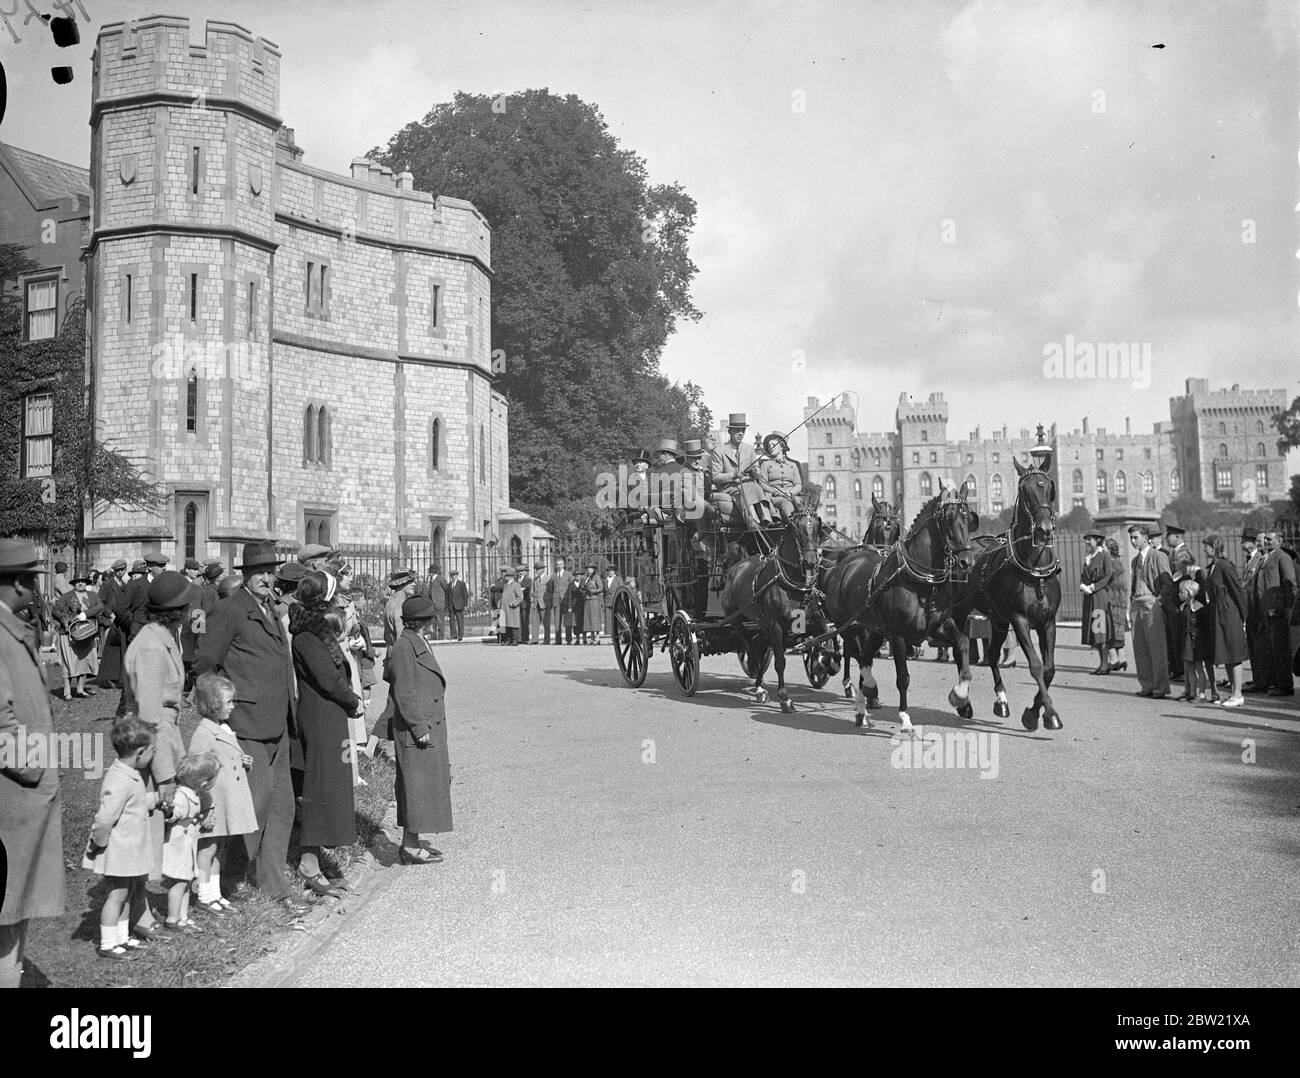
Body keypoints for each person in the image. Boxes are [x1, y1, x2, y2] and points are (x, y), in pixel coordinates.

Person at [194, 542, 309, 913]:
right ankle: (230, 880)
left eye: (270, 570)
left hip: (278, 723)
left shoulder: (271, 608)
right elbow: (205, 663)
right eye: (258, 571)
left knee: (282, 807)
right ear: (244, 574)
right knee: (253, 807)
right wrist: (219, 717)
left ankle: (273, 883)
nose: (265, 576)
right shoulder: (229, 610)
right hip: (245, 724)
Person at [0, 539, 66, 986]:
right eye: (31, 581)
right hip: (12, 795)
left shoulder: (11, 628)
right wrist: (36, 769)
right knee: (6, 908)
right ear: (19, 584)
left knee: (15, 906)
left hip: (21, 793)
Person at [122, 570, 192, 936]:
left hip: (161, 739)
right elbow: (150, 717)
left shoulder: (161, 637)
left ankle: (140, 907)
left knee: (149, 833)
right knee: (144, 833)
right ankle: (138, 911)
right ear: (177, 609)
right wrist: (164, 774)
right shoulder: (151, 646)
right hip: (149, 750)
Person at [289, 571, 360, 897]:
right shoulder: (306, 635)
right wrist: (352, 700)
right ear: (323, 600)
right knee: (319, 787)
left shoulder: (316, 630)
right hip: (320, 718)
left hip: (331, 715)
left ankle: (317, 858)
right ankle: (308, 862)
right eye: (333, 597)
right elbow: (328, 679)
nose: (337, 601)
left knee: (330, 786)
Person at [381, 594, 453, 864]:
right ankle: (409, 846)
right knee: (415, 787)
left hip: (427, 723)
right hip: (418, 727)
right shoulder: (404, 647)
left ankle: (411, 841)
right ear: (424, 621)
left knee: (422, 786)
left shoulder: (418, 641)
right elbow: (404, 691)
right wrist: (418, 726)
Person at [82, 715, 158, 960]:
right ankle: (107, 944)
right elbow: (105, 819)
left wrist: (156, 799)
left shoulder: (129, 773)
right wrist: (99, 843)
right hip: (118, 850)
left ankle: (122, 937)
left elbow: (134, 805)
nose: (153, 756)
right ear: (140, 752)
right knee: (116, 896)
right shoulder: (119, 779)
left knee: (126, 894)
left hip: (131, 849)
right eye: (152, 751)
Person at [188, 673, 257, 915]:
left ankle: (214, 893)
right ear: (214, 705)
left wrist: (243, 760)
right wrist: (204, 807)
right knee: (207, 849)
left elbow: (229, 756)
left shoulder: (224, 728)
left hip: (228, 802)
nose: (233, 706)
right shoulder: (204, 734)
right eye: (228, 702)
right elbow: (195, 771)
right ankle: (203, 895)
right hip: (213, 804)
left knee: (219, 848)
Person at [161, 751, 219, 935]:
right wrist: (170, 812)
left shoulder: (192, 794)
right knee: (179, 883)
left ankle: (183, 917)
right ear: (203, 783)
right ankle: (172, 919)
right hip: (177, 845)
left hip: (187, 844)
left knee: (185, 882)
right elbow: (174, 813)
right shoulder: (182, 796)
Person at [1200, 535, 1248, 708]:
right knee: (1226, 653)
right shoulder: (1214, 566)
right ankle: (1234, 693)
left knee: (1234, 654)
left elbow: (1239, 591)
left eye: (1206, 546)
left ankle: (1238, 694)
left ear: (1214, 547)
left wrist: (1243, 616)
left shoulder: (1225, 566)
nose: (1204, 549)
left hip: (1229, 614)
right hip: (1219, 614)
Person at [1129, 523, 1172, 698]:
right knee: (1140, 648)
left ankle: (1160, 687)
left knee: (1156, 647)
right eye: (1131, 538)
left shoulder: (1158, 556)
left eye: (1135, 537)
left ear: (1146, 538)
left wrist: (1159, 601)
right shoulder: (1135, 560)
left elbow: (1168, 583)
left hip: (1151, 604)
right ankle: (1146, 685)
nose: (1133, 541)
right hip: (1137, 606)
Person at [52, 571, 104, 699]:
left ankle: (80, 689)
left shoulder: (92, 595)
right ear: (74, 583)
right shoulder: (66, 596)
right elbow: (56, 610)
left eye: (83, 581)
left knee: (85, 662)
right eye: (77, 582)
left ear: (86, 583)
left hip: (88, 632)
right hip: (70, 634)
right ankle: (67, 691)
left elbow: (100, 607)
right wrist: (67, 619)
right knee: (69, 662)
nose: (80, 583)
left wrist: (86, 614)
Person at [1255, 531, 1296, 696]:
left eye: (1269, 539)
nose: (1266, 541)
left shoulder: (1282, 557)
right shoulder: (1265, 557)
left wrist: (1285, 608)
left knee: (1280, 649)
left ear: (1279, 541)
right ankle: (1276, 682)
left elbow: (1290, 585)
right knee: (1271, 648)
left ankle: (1285, 685)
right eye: (1265, 539)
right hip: (1266, 610)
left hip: (1276, 611)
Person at [707, 413, 756, 526]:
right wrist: (733, 475)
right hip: (729, 487)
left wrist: (754, 471)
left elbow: (757, 470)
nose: (740, 433)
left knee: (758, 490)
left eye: (743, 430)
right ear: (729, 432)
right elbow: (715, 477)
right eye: (737, 430)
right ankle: (753, 525)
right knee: (742, 494)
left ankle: (768, 520)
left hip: (748, 484)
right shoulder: (719, 451)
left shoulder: (749, 449)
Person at [1079, 531, 1117, 675]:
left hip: (1100, 597)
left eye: (1090, 540)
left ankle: (1104, 664)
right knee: (1095, 630)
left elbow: (1108, 575)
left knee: (1100, 629)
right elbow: (1085, 575)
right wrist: (1083, 585)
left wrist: (1094, 587)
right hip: (1090, 597)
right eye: (1087, 540)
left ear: (1098, 540)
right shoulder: (1088, 557)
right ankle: (1102, 663)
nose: (1088, 542)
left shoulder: (1104, 556)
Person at [1160, 519, 1193, 683]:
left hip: (1176, 601)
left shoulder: (1182, 554)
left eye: (1169, 535)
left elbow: (1178, 577)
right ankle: (1176, 669)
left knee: (1177, 636)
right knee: (1172, 636)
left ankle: (1179, 670)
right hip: (1172, 601)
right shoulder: (1175, 553)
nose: (1166, 538)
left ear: (1177, 537)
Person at [751, 432, 803, 522]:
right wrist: (777, 492)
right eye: (769, 445)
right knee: (786, 503)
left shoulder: (792, 465)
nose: (771, 447)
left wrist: (790, 493)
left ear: (782, 446)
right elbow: (763, 483)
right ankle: (791, 523)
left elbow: (798, 484)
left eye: (774, 444)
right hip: (774, 498)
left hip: (792, 496)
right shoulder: (766, 464)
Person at [97, 558, 129, 689]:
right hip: (109, 620)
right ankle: (105, 677)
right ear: (114, 571)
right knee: (108, 649)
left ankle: (116, 676)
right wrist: (110, 613)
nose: (120, 572)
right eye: (117, 570)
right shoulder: (107, 584)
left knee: (118, 650)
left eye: (122, 570)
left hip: (120, 622)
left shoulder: (125, 585)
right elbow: (100, 602)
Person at [1241, 528, 1265, 691]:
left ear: (1250, 543)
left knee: (1259, 647)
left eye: (1244, 540)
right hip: (1249, 610)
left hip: (1256, 610)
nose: (1242, 543)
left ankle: (1262, 680)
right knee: (1253, 646)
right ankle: (1257, 678)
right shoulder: (1250, 559)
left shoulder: (1259, 559)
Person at [1104, 538, 1129, 672]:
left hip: (1113, 600)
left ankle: (1113, 660)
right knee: (1118, 630)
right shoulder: (1118, 562)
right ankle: (1122, 658)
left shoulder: (1111, 564)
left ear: (1108, 550)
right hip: (1120, 601)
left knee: (1110, 630)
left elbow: (1106, 581)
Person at [384, 569, 417, 653]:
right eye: (410, 581)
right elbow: (401, 642)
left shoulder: (390, 603)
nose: (414, 584)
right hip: (400, 658)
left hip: (391, 655)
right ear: (401, 583)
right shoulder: (400, 607)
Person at [549, 557, 575, 645]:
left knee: (567, 621)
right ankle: (558, 640)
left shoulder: (568, 575)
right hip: (556, 601)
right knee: (557, 621)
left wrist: (570, 599)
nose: (559, 566)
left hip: (566, 600)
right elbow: (550, 588)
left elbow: (572, 587)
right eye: (557, 565)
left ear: (563, 565)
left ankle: (568, 640)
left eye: (560, 565)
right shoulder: (553, 576)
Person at [499, 567, 523, 646]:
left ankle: (515, 640)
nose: (506, 577)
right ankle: (508, 640)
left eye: (508, 575)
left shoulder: (516, 585)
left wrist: (514, 603)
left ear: (511, 576)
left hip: (512, 608)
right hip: (505, 608)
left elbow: (520, 597)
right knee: (507, 624)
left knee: (513, 625)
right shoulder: (506, 585)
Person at [425, 564, 449, 641]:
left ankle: (441, 636)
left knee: (440, 620)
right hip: (433, 604)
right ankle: (434, 635)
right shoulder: (432, 580)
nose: (429, 573)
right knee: (433, 621)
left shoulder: (440, 579)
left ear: (433, 572)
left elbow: (447, 590)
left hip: (439, 604)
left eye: (430, 572)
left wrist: (444, 602)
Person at [580, 564, 603, 643]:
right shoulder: (586, 578)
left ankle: (597, 637)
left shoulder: (596, 577)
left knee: (595, 618)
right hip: (587, 600)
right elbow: (582, 587)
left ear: (593, 569)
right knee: (589, 619)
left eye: (590, 568)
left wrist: (592, 591)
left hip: (594, 600)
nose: (589, 569)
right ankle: (592, 637)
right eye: (588, 568)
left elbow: (601, 588)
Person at [447, 569, 469, 641]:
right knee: (452, 621)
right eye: (452, 575)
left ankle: (460, 635)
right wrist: (447, 605)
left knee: (460, 620)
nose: (453, 577)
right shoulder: (449, 585)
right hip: (451, 606)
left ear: (457, 576)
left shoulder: (461, 584)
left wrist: (465, 605)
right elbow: (447, 596)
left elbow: (465, 595)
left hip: (459, 605)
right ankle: (453, 635)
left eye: (454, 575)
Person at [528, 561, 546, 644]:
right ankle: (534, 639)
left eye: (538, 569)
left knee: (546, 622)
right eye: (536, 569)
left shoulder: (548, 578)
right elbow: (532, 591)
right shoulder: (535, 579)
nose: (536, 571)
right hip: (536, 603)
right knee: (534, 622)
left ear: (542, 569)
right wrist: (533, 598)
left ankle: (547, 639)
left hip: (544, 603)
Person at [517, 564, 533, 644]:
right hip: (517, 603)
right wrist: (522, 589)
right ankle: (519, 638)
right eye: (519, 571)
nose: (520, 573)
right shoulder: (516, 580)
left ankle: (525, 638)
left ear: (525, 572)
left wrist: (520, 589)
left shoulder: (528, 579)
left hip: (525, 603)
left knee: (525, 621)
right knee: (518, 621)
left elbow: (527, 590)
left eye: (521, 571)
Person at [603, 566, 620, 637]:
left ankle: (619, 634)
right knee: (609, 620)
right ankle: (612, 636)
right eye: (609, 571)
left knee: (617, 619)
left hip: (617, 601)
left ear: (614, 572)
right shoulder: (605, 580)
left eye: (612, 571)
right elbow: (603, 592)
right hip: (608, 602)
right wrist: (603, 603)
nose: (610, 572)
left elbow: (621, 590)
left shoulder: (618, 579)